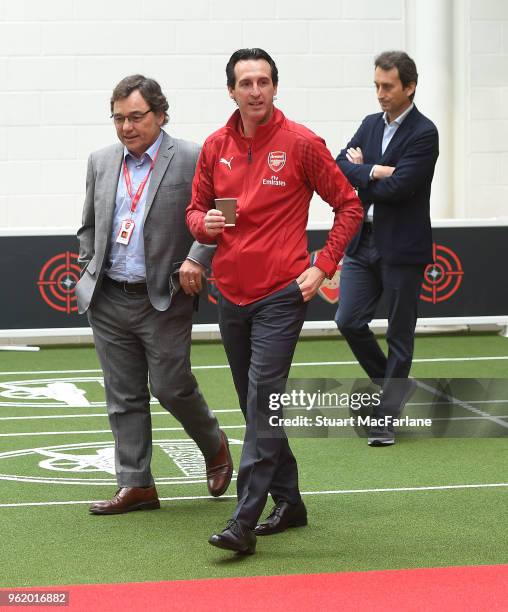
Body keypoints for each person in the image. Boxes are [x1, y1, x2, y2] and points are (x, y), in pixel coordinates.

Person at [187, 48, 363, 554]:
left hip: (282, 295)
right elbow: (196, 211)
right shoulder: (215, 146)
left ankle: (243, 523)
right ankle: (291, 500)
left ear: (275, 87)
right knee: (252, 403)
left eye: (264, 81)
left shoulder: (302, 143)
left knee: (264, 402)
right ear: (232, 91)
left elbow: (348, 206)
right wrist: (205, 226)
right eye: (246, 82)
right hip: (231, 294)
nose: (256, 90)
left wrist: (322, 266)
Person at [75, 74, 233, 515]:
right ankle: (137, 484)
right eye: (119, 118)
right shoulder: (101, 160)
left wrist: (198, 257)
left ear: (161, 114)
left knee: (170, 386)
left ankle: (213, 442)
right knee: (122, 394)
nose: (127, 127)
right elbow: (89, 222)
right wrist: (89, 263)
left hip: (164, 296)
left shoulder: (191, 156)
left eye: (137, 117)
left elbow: (226, 210)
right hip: (107, 297)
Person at [335, 51, 439, 446]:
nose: (379, 93)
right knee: (347, 320)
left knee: (399, 332)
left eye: (388, 87)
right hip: (363, 243)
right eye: (377, 85)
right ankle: (395, 386)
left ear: (409, 87)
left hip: (402, 247)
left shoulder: (425, 132)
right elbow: (339, 166)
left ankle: (386, 415)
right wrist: (375, 170)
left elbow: (403, 187)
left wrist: (363, 172)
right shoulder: (368, 124)